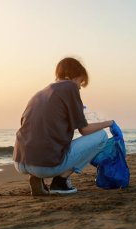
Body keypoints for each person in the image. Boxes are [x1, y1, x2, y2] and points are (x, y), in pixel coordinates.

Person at [13, 57, 123, 195]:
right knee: (101, 136)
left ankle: (36, 178)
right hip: (44, 166)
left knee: (47, 142)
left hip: (20, 161)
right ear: (74, 76)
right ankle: (60, 182)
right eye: (80, 82)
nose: (79, 87)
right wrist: (110, 123)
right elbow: (84, 130)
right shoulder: (70, 87)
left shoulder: (41, 93)